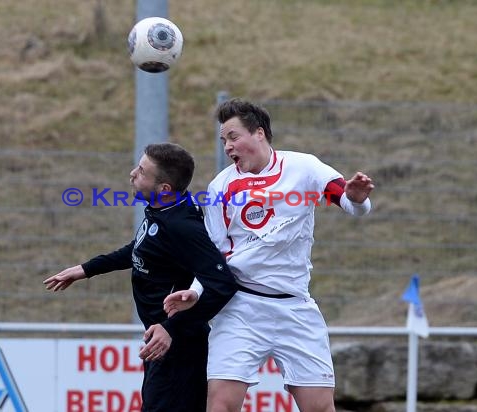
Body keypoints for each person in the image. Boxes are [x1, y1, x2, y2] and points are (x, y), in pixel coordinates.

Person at [164, 98, 375, 412]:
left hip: (294, 307)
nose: (228, 147)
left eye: (233, 137)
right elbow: (213, 253)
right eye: (223, 141)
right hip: (240, 308)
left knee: (319, 407)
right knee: (220, 404)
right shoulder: (221, 187)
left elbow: (346, 199)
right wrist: (196, 291)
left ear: (259, 133)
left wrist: (356, 198)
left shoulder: (303, 168)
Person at [44, 142, 237, 412]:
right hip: (162, 341)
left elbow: (223, 283)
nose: (133, 173)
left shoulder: (182, 227)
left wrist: (172, 328)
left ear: (164, 189)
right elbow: (141, 249)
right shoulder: (164, 210)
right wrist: (86, 269)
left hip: (178, 347)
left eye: (142, 171)